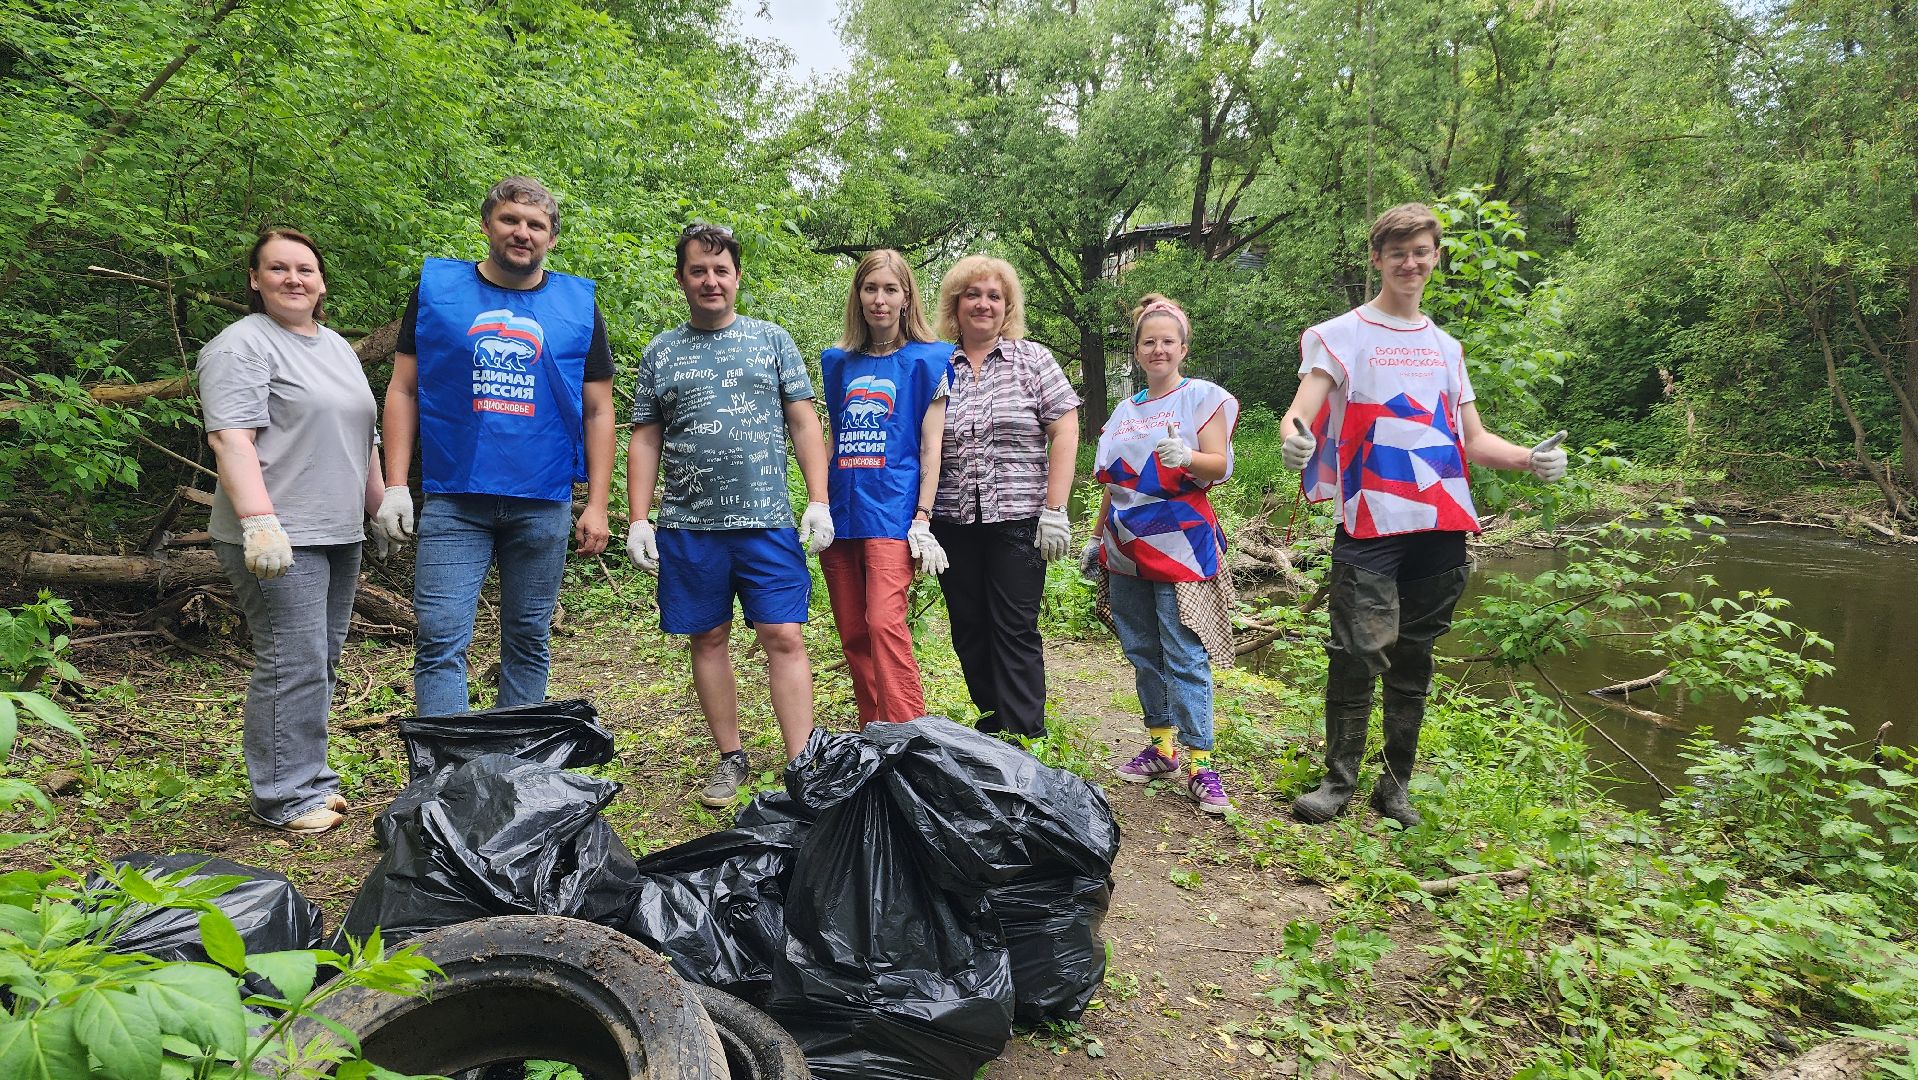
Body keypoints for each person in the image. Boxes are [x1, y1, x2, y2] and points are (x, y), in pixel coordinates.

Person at [1281, 202, 1570, 827]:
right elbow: (1301, 410)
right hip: (1370, 521)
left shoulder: (1446, 347)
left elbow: (1472, 440)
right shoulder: (1339, 335)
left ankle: (1396, 786)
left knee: (1415, 658)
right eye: (1397, 253)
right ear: (1378, 260)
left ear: (1435, 257)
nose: (1410, 263)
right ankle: (1338, 783)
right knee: (1357, 652)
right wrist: (1295, 437)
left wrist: (1529, 459)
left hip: (1441, 523)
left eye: (1421, 252)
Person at [374, 176, 616, 717]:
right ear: (487, 225)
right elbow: (404, 389)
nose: (522, 233)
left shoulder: (577, 304)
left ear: (552, 237)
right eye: (510, 220)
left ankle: (515, 774)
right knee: (439, 644)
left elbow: (599, 409)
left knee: (529, 642)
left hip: (543, 501)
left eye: (536, 225)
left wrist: (597, 503)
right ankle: (449, 780)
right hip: (455, 498)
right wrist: (394, 486)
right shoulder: (439, 291)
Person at [625, 223, 830, 807]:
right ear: (681, 278)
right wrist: (640, 518)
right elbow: (645, 437)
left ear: (737, 276)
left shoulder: (771, 340)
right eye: (698, 270)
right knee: (708, 637)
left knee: (783, 635)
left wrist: (818, 499)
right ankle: (731, 758)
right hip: (689, 527)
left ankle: (802, 764)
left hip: (766, 520)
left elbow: (803, 422)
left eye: (721, 270)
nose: (710, 281)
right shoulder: (661, 352)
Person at [202, 229, 382, 836]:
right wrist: (257, 521)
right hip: (278, 534)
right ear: (255, 280)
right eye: (277, 269)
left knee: (320, 658)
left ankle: (308, 776)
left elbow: (363, 434)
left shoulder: (334, 346)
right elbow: (231, 440)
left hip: (336, 527)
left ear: (321, 280)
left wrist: (380, 503)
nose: (293, 279)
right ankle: (283, 794)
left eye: (304, 268)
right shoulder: (240, 348)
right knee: (291, 658)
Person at [1081, 294, 1240, 813]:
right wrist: (1095, 534)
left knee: (1184, 649)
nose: (1157, 349)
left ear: (1183, 348)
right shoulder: (1124, 413)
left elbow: (1217, 464)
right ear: (1136, 350)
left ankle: (1201, 761)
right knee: (1141, 647)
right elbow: (1113, 483)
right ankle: (1162, 746)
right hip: (1125, 545)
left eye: (1167, 341)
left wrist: (1189, 455)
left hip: (1180, 540)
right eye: (1148, 341)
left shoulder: (1202, 397)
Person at [930, 255, 1081, 738]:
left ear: (1007, 305)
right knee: (969, 627)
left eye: (994, 296)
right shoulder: (935, 362)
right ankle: (994, 720)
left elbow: (1066, 429)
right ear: (956, 303)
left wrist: (1054, 510)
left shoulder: (1033, 360)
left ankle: (1024, 737)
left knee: (1014, 628)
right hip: (951, 522)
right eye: (973, 294)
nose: (983, 304)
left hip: (1018, 521)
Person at [818, 250, 954, 726]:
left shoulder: (929, 360)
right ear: (858, 295)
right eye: (870, 288)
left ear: (906, 297)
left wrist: (923, 516)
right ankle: (872, 732)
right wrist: (818, 504)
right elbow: (834, 439)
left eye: (890, 289)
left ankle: (909, 738)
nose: (879, 299)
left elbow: (930, 449)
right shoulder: (837, 364)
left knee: (884, 624)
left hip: (893, 515)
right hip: (842, 515)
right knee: (854, 632)